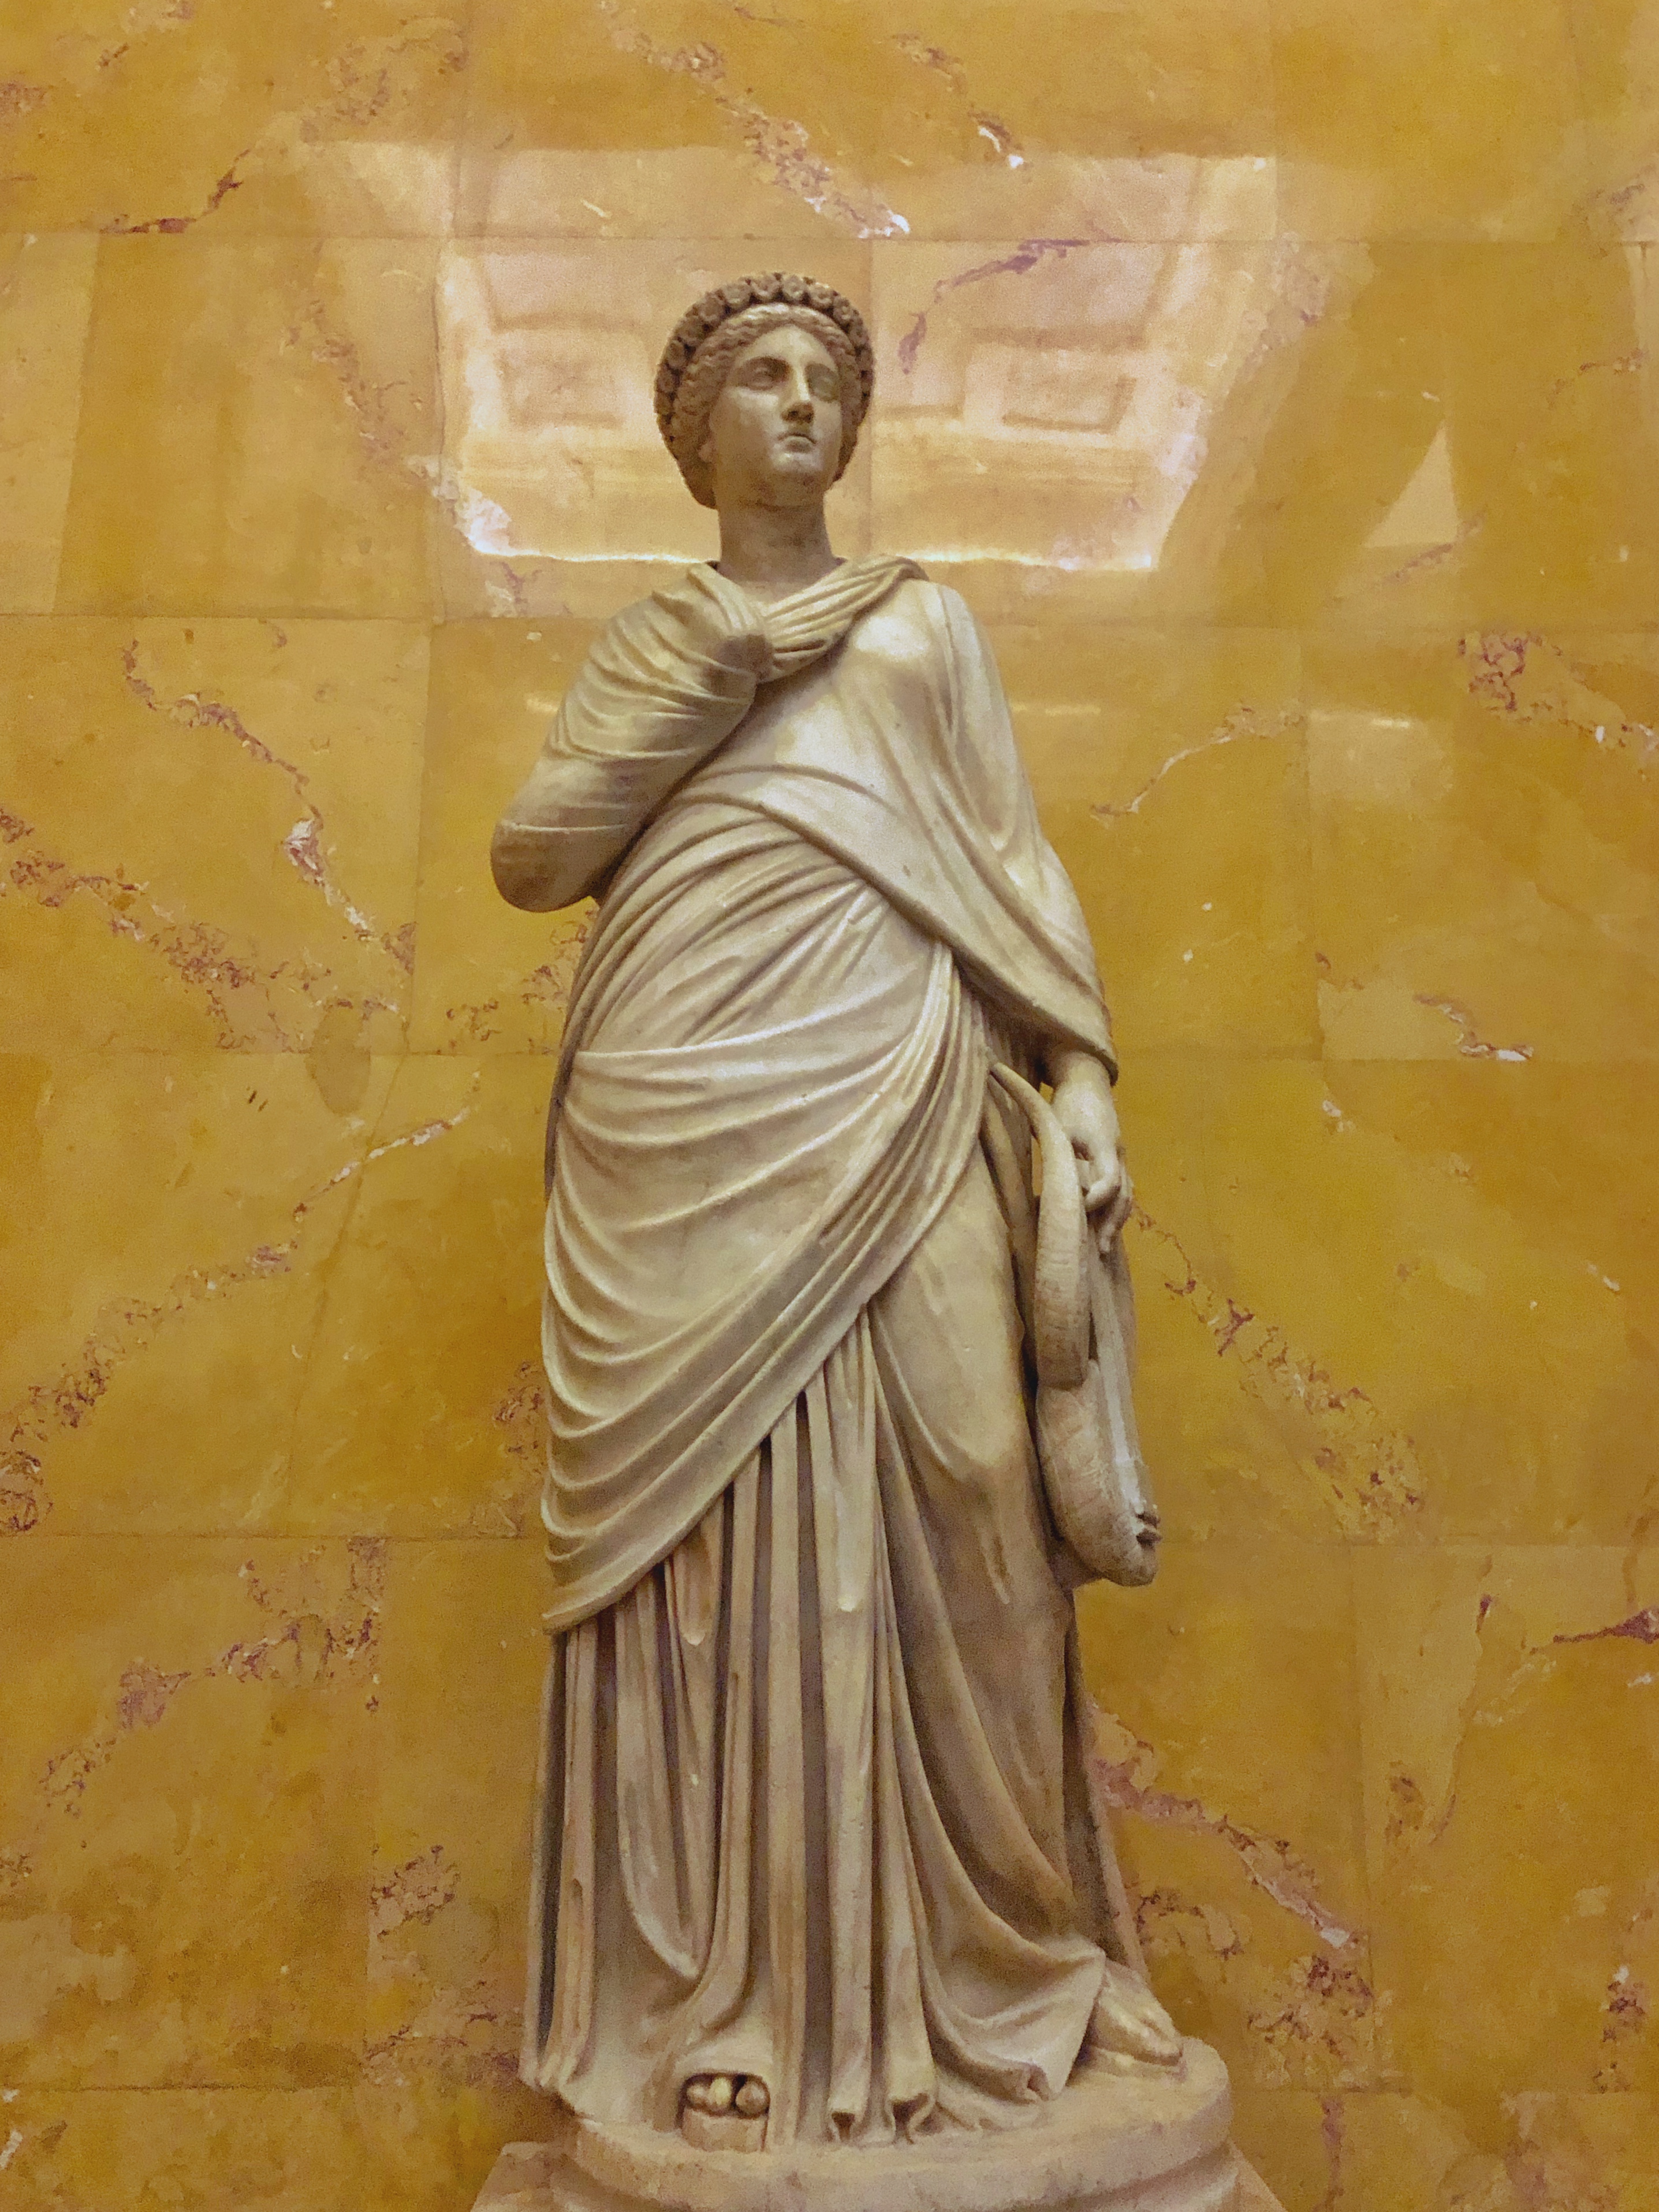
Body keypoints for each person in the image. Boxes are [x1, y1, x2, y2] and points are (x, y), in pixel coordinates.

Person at [492, 270, 1180, 2154]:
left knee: (976, 1481)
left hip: (901, 1065)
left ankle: (1017, 1959)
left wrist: (1082, 1073)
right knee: (722, 1555)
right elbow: (535, 859)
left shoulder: (922, 625)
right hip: (680, 1092)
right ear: (698, 433)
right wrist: (723, 673)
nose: (801, 404)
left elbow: (1005, 851)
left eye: (826, 382)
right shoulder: (662, 637)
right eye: (762, 378)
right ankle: (734, 1997)